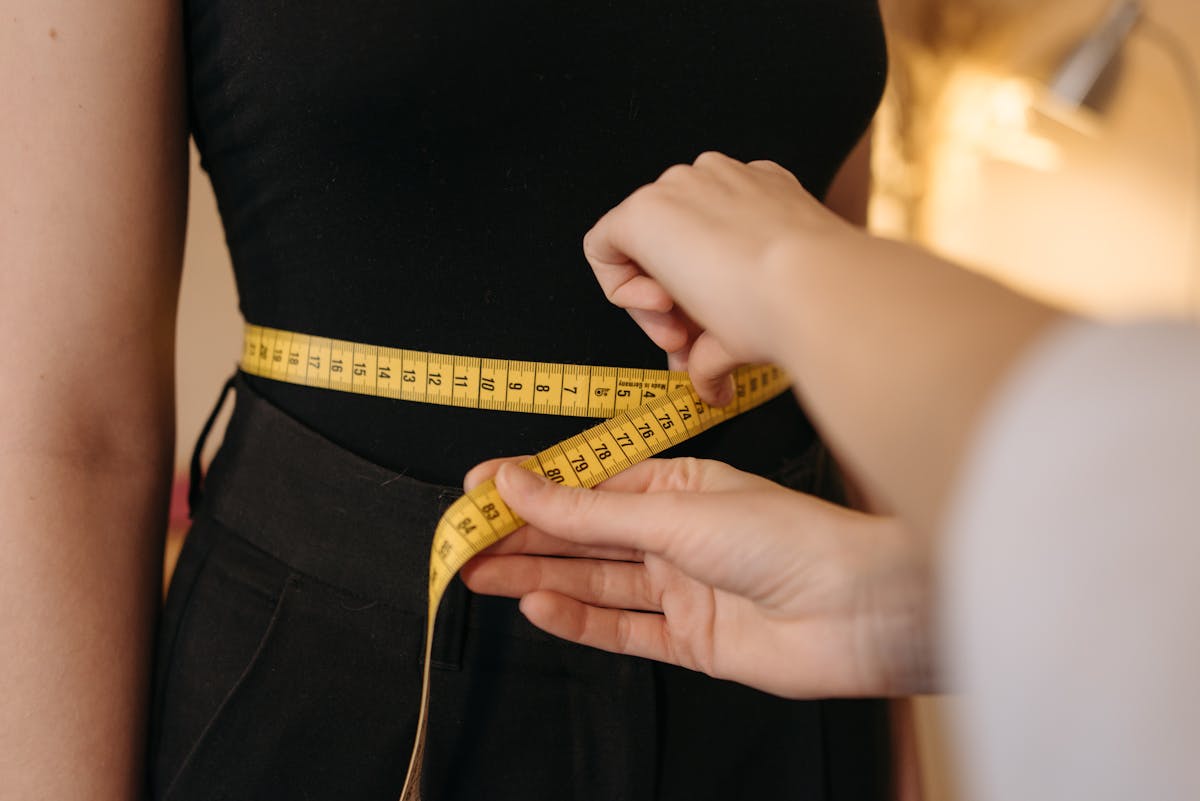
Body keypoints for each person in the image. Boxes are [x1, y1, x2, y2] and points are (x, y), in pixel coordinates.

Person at [1, 3, 899, 800]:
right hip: (334, 689)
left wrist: (911, 735)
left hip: (788, 664)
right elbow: (72, 430)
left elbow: (827, 282)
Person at [461, 153, 1200, 801]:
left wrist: (793, 263)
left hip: (782, 659)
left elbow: (1130, 477)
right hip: (446, 624)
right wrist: (898, 613)